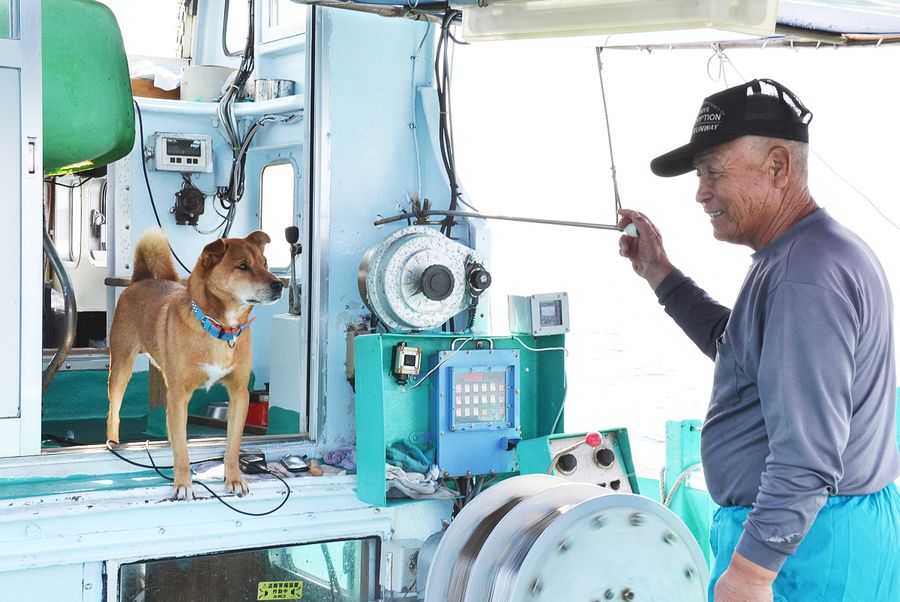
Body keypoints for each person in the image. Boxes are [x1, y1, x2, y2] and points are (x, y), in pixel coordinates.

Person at [617, 79, 900, 601]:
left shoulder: (803, 276)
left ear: (777, 166)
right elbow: (742, 349)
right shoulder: (809, 253)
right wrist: (661, 274)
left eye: (713, 172)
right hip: (830, 532)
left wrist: (751, 574)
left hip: (806, 552)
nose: (700, 193)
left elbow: (807, 456)